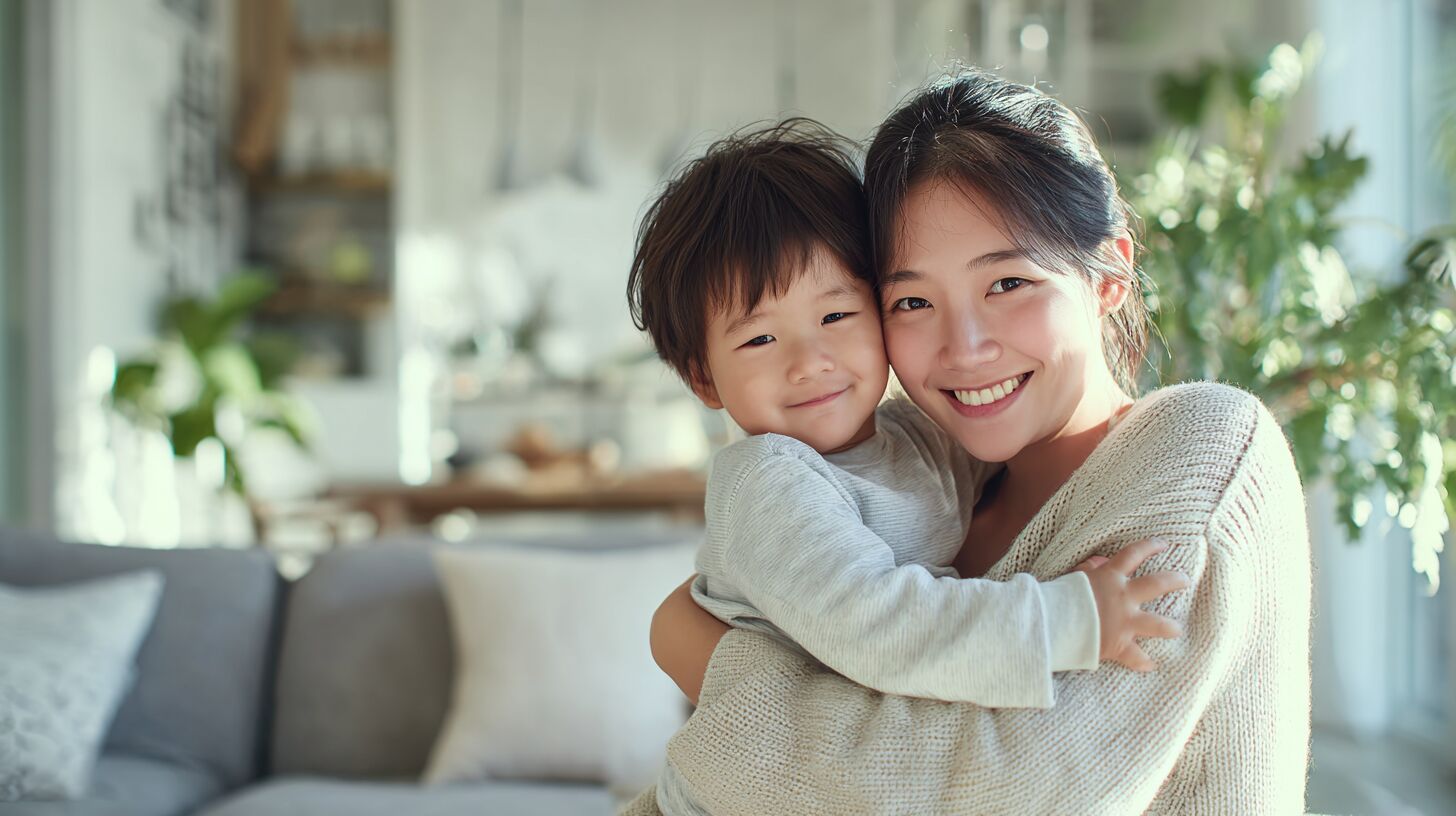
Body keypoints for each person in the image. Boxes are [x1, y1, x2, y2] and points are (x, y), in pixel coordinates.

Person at [629, 70, 1312, 815]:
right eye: (913, 300)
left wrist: (705, 659)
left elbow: (1011, 794)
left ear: (1108, 274)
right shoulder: (945, 463)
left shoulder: (1204, 447)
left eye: (1008, 283)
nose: (965, 347)